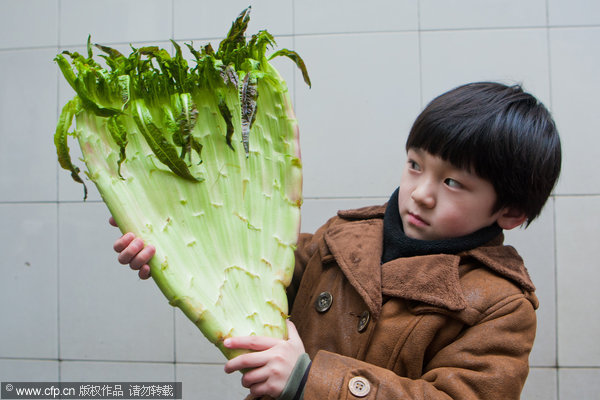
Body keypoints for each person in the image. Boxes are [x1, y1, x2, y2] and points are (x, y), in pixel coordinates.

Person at [111, 82, 562, 399]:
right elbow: (254, 283)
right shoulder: (341, 236)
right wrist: (173, 247)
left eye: (454, 183)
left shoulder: (502, 306)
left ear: (509, 212)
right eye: (415, 165)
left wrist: (308, 383)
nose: (421, 193)